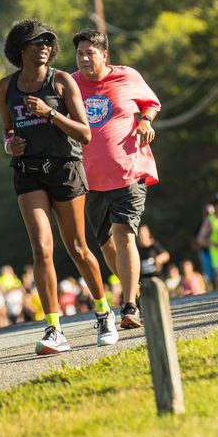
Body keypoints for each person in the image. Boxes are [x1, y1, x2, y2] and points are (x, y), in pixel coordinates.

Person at [0, 19, 117, 354]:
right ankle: (53, 328)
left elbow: (85, 132)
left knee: (77, 248)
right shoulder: (6, 87)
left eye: (49, 41)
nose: (46, 46)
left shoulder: (61, 81)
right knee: (41, 249)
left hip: (65, 169)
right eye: (38, 42)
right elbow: (8, 132)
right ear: (21, 49)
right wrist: (10, 145)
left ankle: (104, 312)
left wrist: (50, 113)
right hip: (28, 172)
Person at [71, 28, 162, 331]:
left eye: (90, 53)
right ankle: (131, 291)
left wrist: (146, 121)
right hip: (89, 179)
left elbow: (151, 104)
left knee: (124, 236)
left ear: (104, 55)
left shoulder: (127, 76)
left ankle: (130, 305)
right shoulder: (70, 85)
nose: (84, 58)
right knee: (106, 244)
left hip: (128, 170)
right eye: (80, 53)